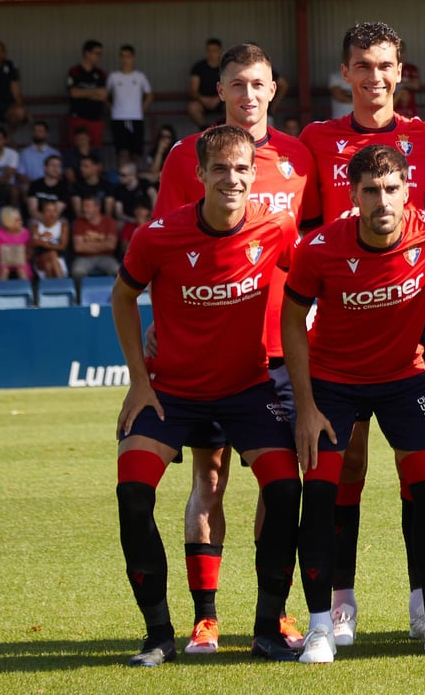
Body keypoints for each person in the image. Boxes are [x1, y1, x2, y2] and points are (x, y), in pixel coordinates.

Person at [111, 124, 302, 666]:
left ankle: (268, 629)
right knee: (133, 493)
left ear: (254, 174)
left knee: (285, 489)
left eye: (241, 169)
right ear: (199, 175)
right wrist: (139, 381)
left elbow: (309, 285)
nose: (232, 179)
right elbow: (123, 298)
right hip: (171, 393)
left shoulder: (277, 227)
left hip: (248, 390)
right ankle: (158, 635)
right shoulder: (157, 236)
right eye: (220, 169)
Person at [152, 41, 317, 657]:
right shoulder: (187, 157)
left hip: (279, 348)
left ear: (274, 90)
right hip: (209, 353)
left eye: (258, 84)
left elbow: (315, 249)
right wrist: (159, 325)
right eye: (237, 84)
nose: (248, 94)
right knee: (211, 476)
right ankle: (206, 618)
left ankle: (274, 613)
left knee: (281, 483)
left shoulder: (299, 158)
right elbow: (163, 244)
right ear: (218, 91)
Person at [283, 144, 425, 662]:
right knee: (321, 495)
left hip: (405, 380)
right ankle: (321, 626)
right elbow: (291, 319)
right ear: (353, 195)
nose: (382, 200)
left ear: (408, 190)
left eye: (391, 188)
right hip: (333, 384)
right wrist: (305, 406)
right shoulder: (320, 248)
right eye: (370, 190)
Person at [300, 20, 425, 647]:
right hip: (340, 317)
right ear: (346, 73)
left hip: (412, 316)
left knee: (421, 465)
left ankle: (424, 602)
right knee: (348, 464)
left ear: (400, 70)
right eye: (363, 65)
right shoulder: (315, 139)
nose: (374, 77)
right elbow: (301, 229)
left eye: (385, 65)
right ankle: (340, 602)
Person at [106, 45, 153, 166]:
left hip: (136, 118)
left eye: (128, 56)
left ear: (133, 58)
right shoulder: (113, 76)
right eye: (122, 56)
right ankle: (123, 175)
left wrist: (141, 110)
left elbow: (149, 95)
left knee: (136, 153)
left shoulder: (140, 76)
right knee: (122, 152)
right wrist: (112, 108)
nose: (125, 59)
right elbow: (105, 95)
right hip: (118, 118)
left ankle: (134, 176)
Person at [66, 40, 107, 149]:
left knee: (95, 149)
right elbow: (73, 93)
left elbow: (103, 95)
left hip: (96, 118)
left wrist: (82, 92)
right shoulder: (74, 71)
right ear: (87, 53)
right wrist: (95, 91)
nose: (99, 57)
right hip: (78, 117)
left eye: (100, 54)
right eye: (96, 53)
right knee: (76, 148)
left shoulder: (100, 73)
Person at [70, 195, 119, 279]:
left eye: (87, 206)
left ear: (97, 207)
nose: (84, 209)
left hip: (106, 257)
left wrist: (86, 245)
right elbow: (78, 247)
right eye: (83, 206)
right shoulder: (79, 222)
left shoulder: (109, 221)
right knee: (77, 272)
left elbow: (111, 245)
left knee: (119, 272)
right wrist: (103, 245)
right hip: (84, 258)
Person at [188, 38, 224, 129]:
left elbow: (229, 87)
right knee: (192, 107)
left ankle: (226, 129)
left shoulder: (225, 67)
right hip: (202, 101)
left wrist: (218, 99)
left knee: (233, 105)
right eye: (209, 51)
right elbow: (193, 90)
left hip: (221, 100)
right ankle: (205, 130)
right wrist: (203, 99)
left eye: (214, 51)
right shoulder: (198, 67)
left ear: (220, 51)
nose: (211, 53)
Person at [0, 205, 30, 280]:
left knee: (21, 270)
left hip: (21, 262)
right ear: (8, 222)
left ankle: (26, 287)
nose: (20, 222)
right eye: (17, 220)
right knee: (4, 270)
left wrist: (19, 258)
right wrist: (9, 257)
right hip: (1, 262)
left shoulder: (26, 233)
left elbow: (30, 254)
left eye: (20, 219)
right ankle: (1, 287)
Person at [30, 199, 67, 278]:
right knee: (52, 254)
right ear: (42, 213)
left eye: (54, 211)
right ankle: (61, 282)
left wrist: (45, 244)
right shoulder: (36, 227)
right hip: (40, 259)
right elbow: (33, 243)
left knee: (49, 265)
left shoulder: (62, 226)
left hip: (58, 259)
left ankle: (50, 285)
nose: (52, 214)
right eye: (48, 211)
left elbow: (63, 246)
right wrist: (42, 237)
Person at [27, 154, 71, 222]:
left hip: (56, 220)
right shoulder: (35, 185)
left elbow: (57, 212)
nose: (56, 169)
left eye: (58, 166)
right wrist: (44, 220)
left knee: (64, 223)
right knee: (32, 222)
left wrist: (48, 222)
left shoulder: (64, 187)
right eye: (53, 165)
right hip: (37, 219)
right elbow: (33, 210)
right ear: (45, 167)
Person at [18, 120, 60, 187]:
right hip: (30, 186)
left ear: (47, 134)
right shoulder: (24, 153)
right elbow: (21, 174)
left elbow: (59, 173)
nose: (37, 133)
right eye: (35, 131)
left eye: (40, 131)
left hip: (51, 187)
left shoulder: (54, 153)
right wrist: (34, 186)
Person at [393, 41, 422, 119]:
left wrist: (400, 85)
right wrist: (407, 83)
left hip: (410, 109)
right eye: (397, 51)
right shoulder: (388, 69)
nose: (399, 54)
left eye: (401, 51)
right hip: (393, 108)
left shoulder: (411, 68)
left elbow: (416, 85)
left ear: (405, 52)